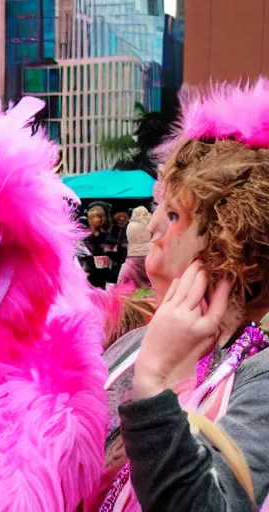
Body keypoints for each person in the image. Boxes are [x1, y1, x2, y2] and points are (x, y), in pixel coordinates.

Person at [94, 79, 269, 511]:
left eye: (173, 214)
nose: (153, 228)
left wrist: (154, 385)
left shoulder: (261, 378)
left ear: (230, 246)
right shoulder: (132, 342)